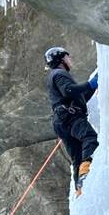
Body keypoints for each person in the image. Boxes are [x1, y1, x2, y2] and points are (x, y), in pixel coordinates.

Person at [44, 46, 99, 196]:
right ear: (61, 59)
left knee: (76, 156)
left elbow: (78, 97)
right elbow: (69, 90)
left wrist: (92, 87)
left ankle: (79, 189)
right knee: (90, 138)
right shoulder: (59, 73)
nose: (70, 59)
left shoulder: (53, 76)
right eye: (67, 57)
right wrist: (91, 84)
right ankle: (85, 171)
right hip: (70, 117)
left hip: (61, 120)